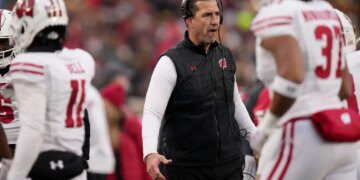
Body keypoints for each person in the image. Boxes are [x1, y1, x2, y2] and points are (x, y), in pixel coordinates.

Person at [142, 0, 256, 179]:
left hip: (229, 166)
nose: (215, 21)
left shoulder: (225, 55)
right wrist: (150, 152)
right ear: (189, 21)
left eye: (217, 14)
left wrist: (256, 140)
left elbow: (234, 102)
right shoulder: (170, 62)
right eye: (207, 15)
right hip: (187, 169)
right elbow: (152, 111)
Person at [250, 0, 359, 179]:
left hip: (305, 130)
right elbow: (345, 87)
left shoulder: (277, 13)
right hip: (342, 134)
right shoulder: (326, 11)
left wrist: (265, 129)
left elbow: (291, 80)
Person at [7, 0, 95, 179]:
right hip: (75, 168)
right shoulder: (82, 59)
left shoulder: (27, 65)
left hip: (42, 165)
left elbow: (33, 130)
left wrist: (14, 175)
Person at [86, 84, 115, 180]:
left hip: (94, 161)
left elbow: (96, 129)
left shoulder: (89, 94)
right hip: (96, 160)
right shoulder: (92, 92)